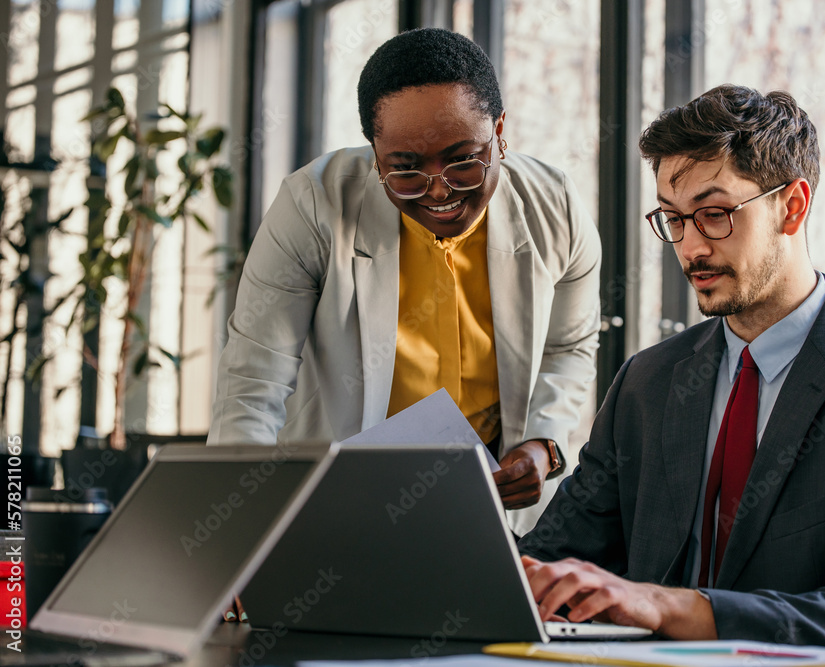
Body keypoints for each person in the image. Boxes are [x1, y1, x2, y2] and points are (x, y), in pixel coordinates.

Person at [517, 84, 825, 664]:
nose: (690, 248)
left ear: (793, 205)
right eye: (673, 219)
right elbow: (550, 563)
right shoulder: (649, 382)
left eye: (713, 215)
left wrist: (671, 608)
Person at [208, 28, 601, 535]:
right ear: (375, 156)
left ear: (500, 131)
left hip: (488, 510)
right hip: (340, 507)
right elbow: (253, 381)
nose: (440, 191)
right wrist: (238, 533)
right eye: (407, 170)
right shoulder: (312, 205)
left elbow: (570, 346)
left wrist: (545, 443)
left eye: (463, 161)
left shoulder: (556, 206)